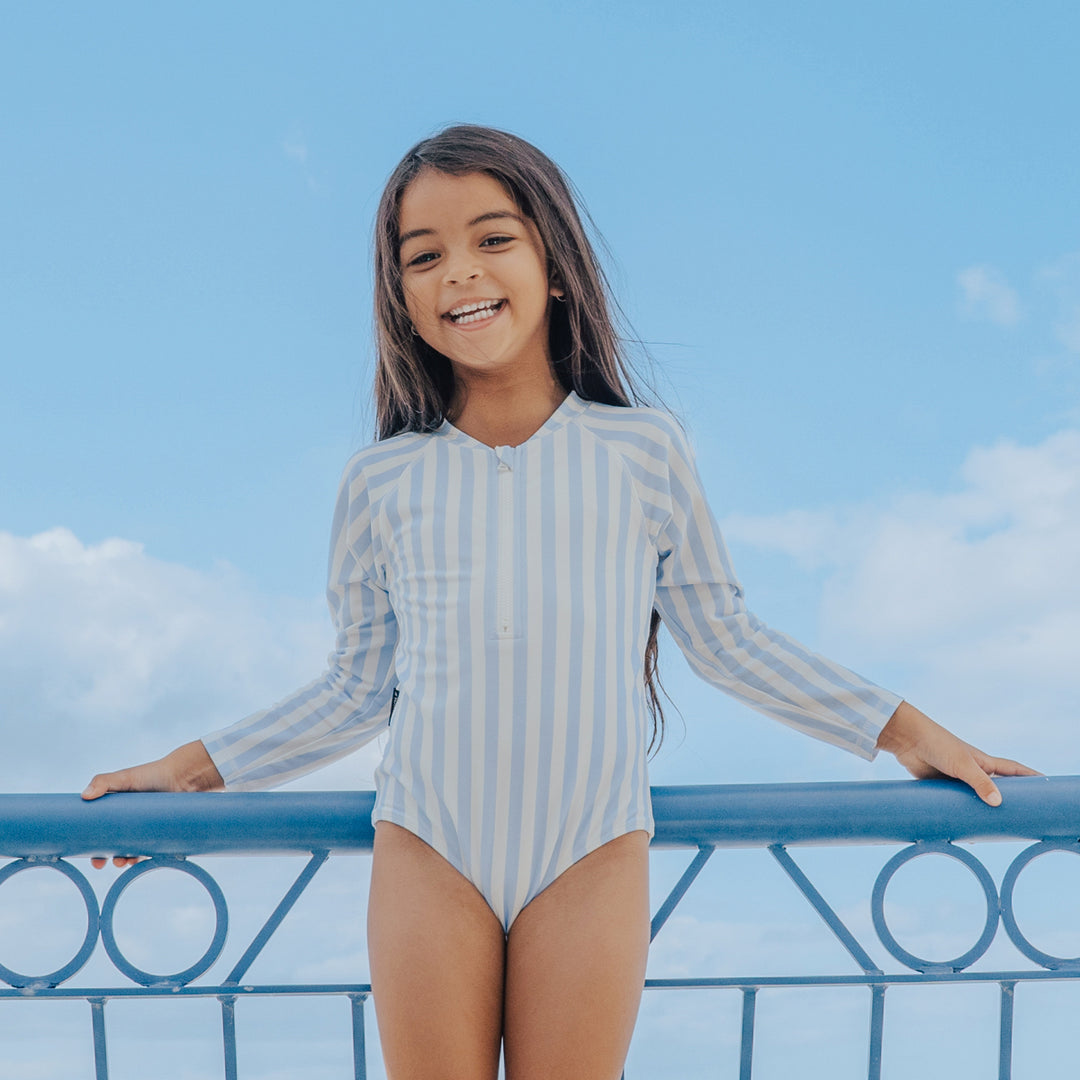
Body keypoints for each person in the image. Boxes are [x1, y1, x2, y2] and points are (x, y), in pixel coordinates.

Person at [82, 123, 1038, 1080]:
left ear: (556, 266)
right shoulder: (380, 481)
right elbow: (354, 691)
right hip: (429, 843)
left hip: (592, 846)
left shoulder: (644, 450)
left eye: (493, 238)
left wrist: (909, 732)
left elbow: (725, 639)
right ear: (401, 296)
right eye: (424, 256)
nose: (461, 271)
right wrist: (188, 773)